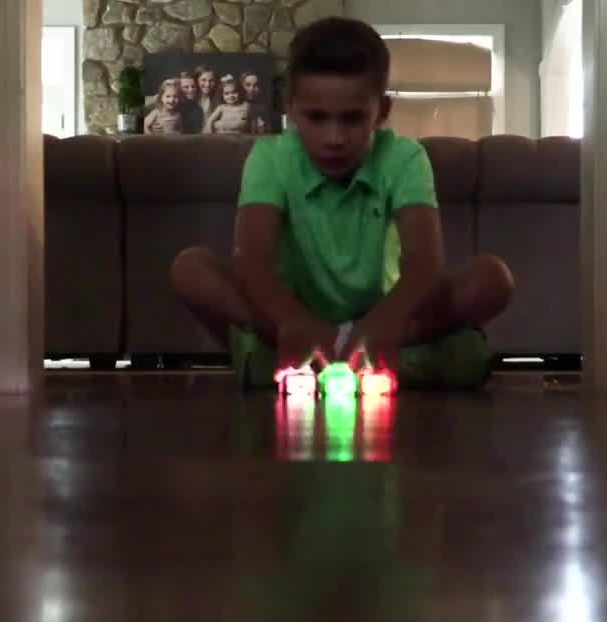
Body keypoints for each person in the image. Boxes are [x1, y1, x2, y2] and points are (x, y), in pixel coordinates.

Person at [169, 17, 513, 390]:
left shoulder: (404, 157)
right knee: (190, 269)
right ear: (292, 107)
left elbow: (424, 263)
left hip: (385, 315)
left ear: (381, 111)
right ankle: (357, 355)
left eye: (352, 119)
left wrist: (382, 324)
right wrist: (292, 322)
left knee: (492, 279)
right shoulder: (269, 157)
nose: (333, 138)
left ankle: (303, 358)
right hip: (288, 314)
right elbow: (252, 259)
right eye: (317, 118)